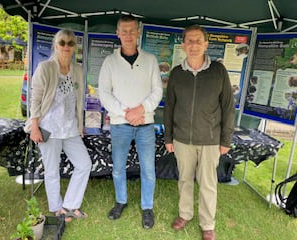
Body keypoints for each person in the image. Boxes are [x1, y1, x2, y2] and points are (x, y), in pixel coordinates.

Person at [164, 25, 235, 240]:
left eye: (198, 41)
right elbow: (169, 107)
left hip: (210, 140)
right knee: (184, 179)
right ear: (183, 45)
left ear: (206, 44)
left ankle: (208, 224)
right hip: (182, 138)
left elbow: (228, 107)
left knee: (208, 183)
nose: (193, 45)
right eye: (189, 41)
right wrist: (169, 137)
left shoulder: (218, 71)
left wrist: (226, 139)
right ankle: (185, 214)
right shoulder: (176, 73)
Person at [98, 14, 163, 229]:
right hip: (120, 124)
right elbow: (104, 94)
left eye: (131, 30)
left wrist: (140, 110)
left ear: (138, 33)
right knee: (118, 168)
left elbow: (157, 91)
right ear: (117, 33)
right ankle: (121, 201)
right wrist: (127, 113)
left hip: (146, 124)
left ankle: (147, 207)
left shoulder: (151, 60)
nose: (127, 35)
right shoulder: (109, 62)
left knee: (148, 169)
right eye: (123, 31)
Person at [24, 29, 92, 222]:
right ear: (55, 45)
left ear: (74, 47)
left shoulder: (77, 70)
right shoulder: (45, 68)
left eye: (70, 43)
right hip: (48, 128)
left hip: (70, 128)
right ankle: (56, 208)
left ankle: (70, 205)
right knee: (52, 170)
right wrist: (35, 126)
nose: (66, 46)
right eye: (62, 42)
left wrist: (80, 124)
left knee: (84, 164)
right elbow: (35, 99)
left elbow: (79, 100)